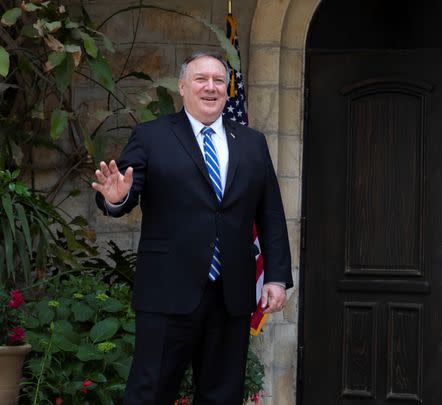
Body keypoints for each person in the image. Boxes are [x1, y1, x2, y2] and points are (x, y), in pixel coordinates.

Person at [92, 51, 292, 404]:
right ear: (182, 87)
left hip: (231, 295)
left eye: (218, 80)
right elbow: (123, 192)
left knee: (222, 395)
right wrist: (116, 198)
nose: (210, 87)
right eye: (201, 79)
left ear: (227, 91)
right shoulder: (151, 136)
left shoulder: (252, 143)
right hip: (167, 292)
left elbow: (270, 213)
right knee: (149, 393)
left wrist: (275, 277)